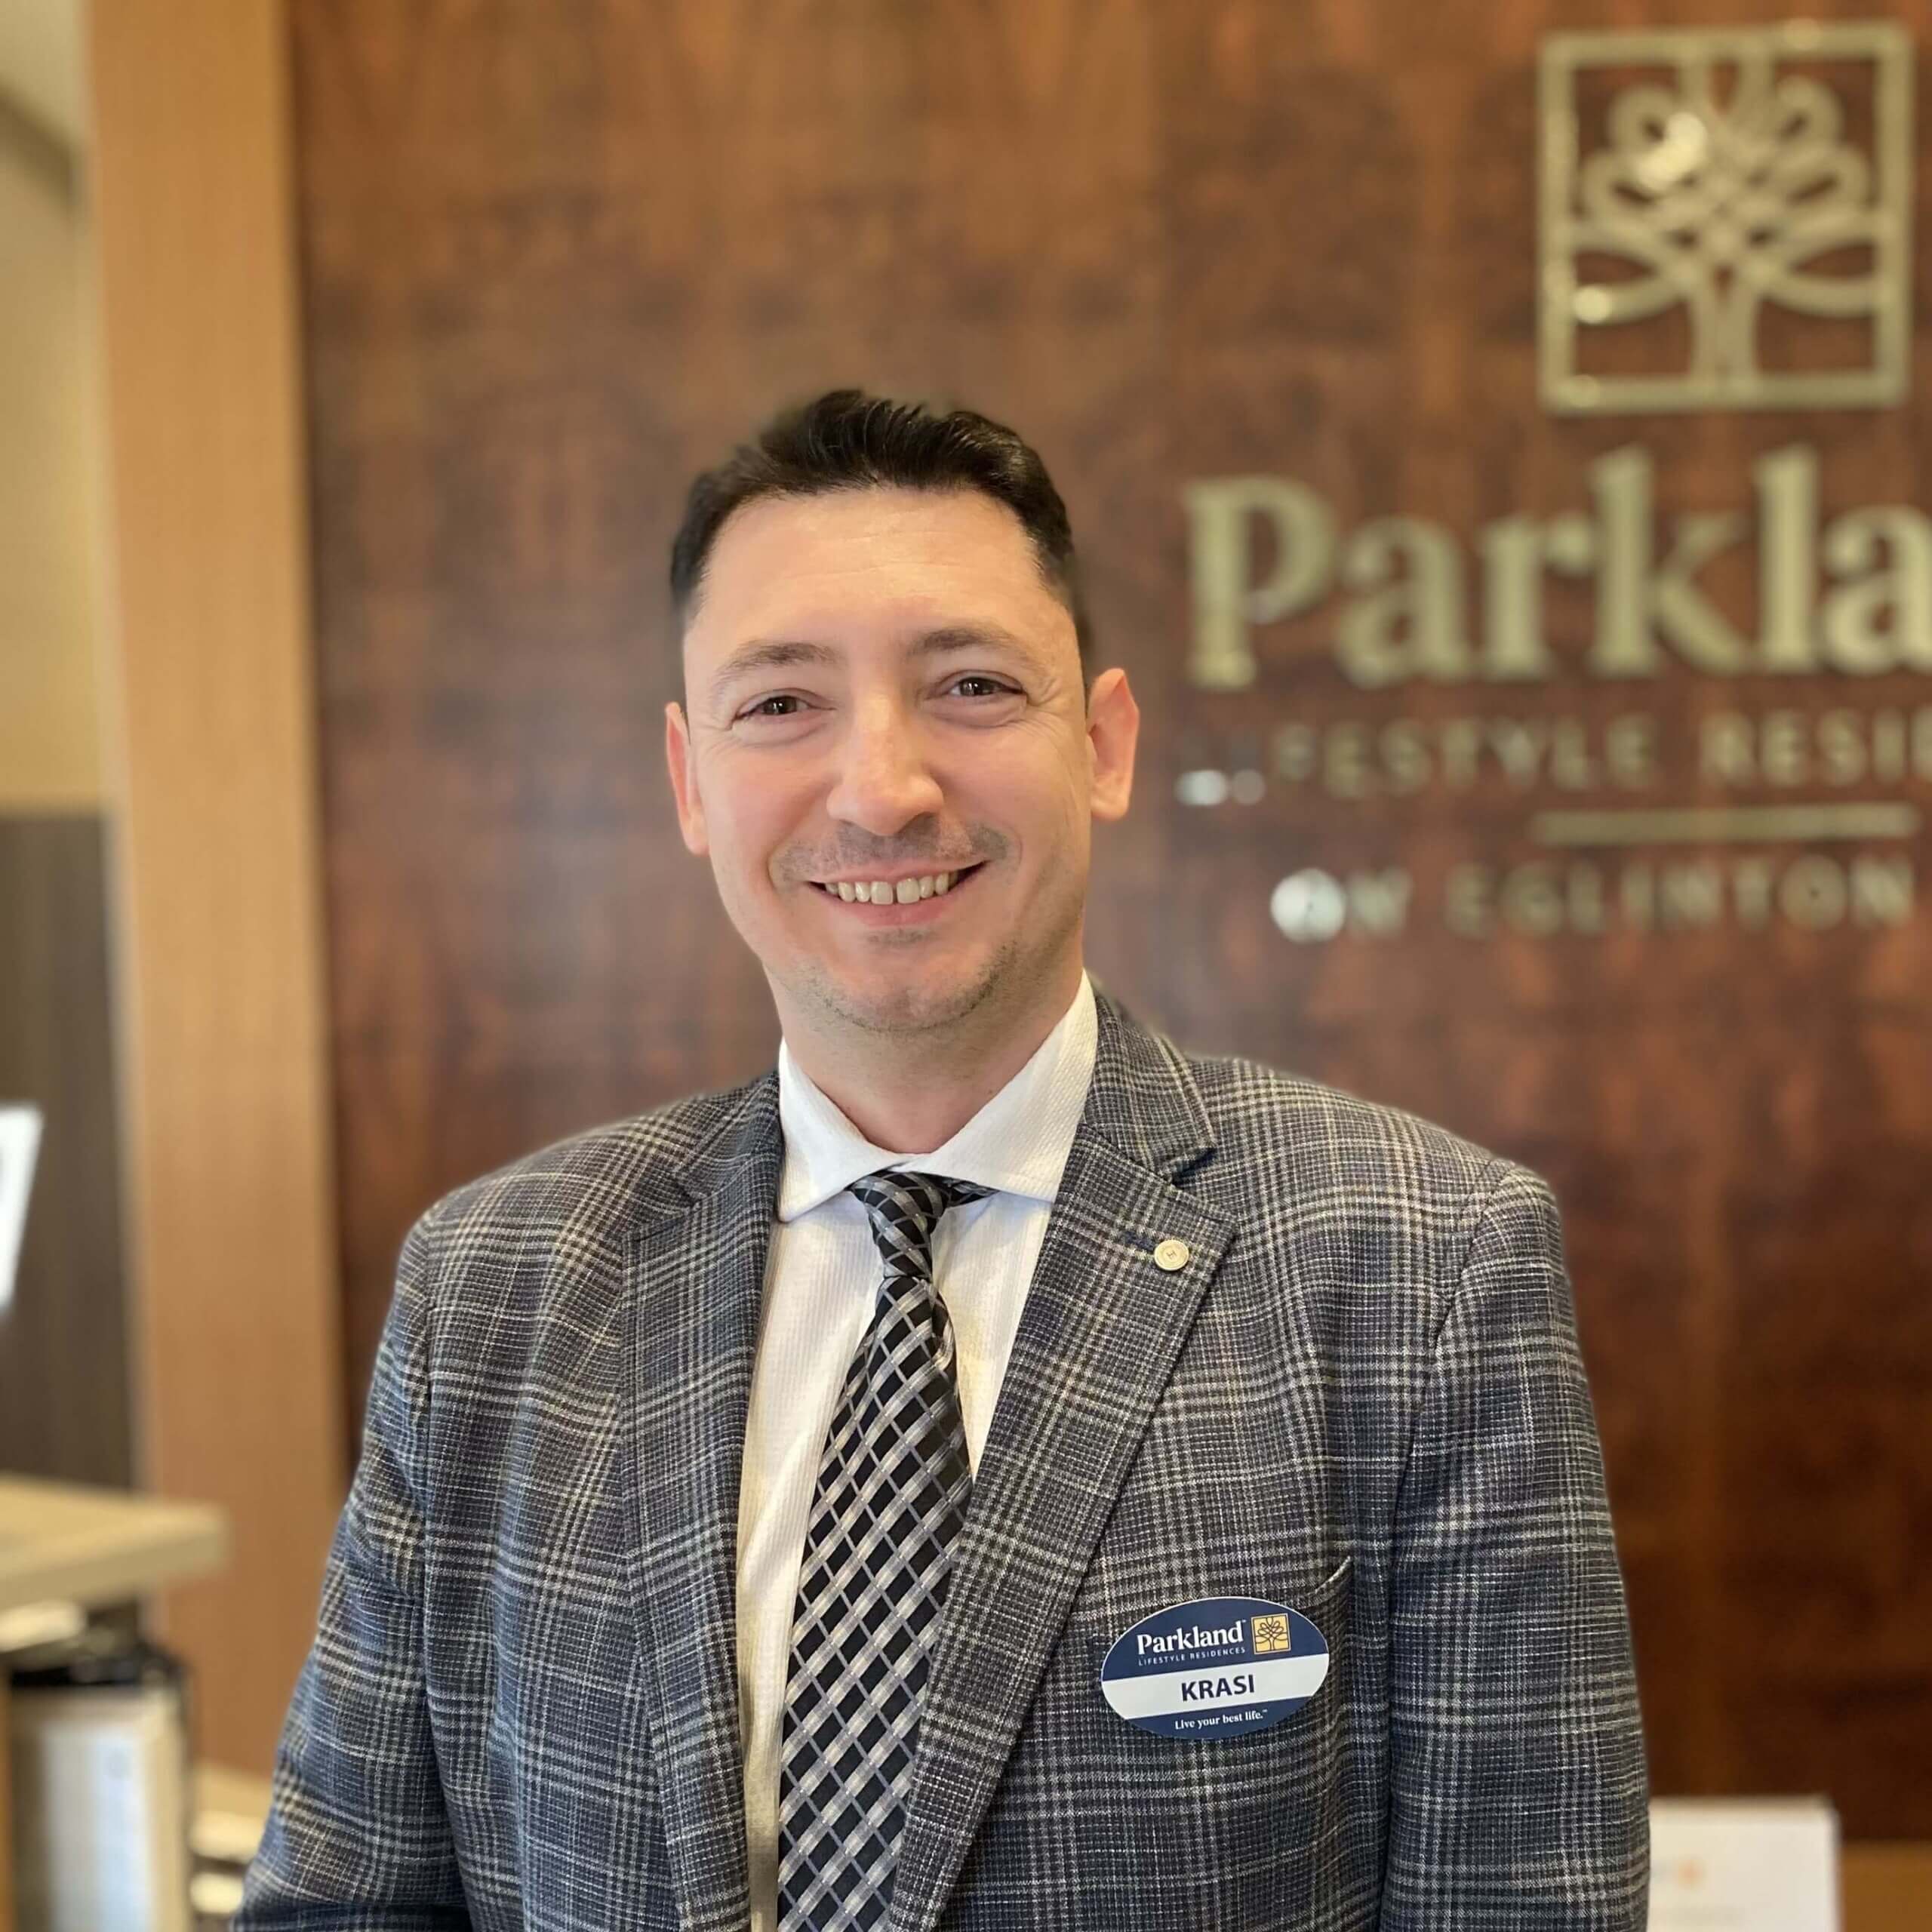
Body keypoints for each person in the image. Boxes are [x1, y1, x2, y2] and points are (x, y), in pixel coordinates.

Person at [238, 389, 1648, 1930]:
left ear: (1100, 744)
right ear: (688, 779)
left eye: (970, 684)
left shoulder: (1423, 1267)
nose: (880, 785)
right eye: (781, 703)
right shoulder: (497, 1283)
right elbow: (344, 1900)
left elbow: (1525, 1900)